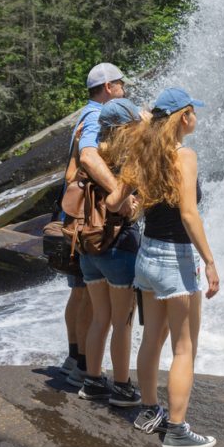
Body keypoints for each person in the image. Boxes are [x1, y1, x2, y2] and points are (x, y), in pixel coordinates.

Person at [111, 86, 220, 447]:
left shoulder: (140, 154)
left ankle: (148, 410)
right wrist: (209, 261)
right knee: (184, 348)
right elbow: (189, 214)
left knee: (152, 340)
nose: (196, 119)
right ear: (183, 117)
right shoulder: (184, 156)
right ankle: (176, 429)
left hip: (148, 255)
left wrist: (135, 201)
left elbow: (114, 201)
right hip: (177, 259)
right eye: (193, 112)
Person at [61, 62, 128, 389]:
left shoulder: (83, 113)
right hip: (88, 220)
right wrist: (118, 191)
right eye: (120, 84)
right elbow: (88, 156)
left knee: (80, 290)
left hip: (73, 218)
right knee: (90, 293)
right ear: (107, 88)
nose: (124, 89)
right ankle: (84, 366)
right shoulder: (95, 117)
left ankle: (75, 358)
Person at [77, 97, 142, 408]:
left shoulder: (92, 155)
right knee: (122, 322)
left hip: (88, 245)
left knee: (99, 318)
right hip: (118, 247)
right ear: (124, 128)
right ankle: (121, 386)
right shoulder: (126, 159)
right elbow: (123, 207)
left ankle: (91, 382)